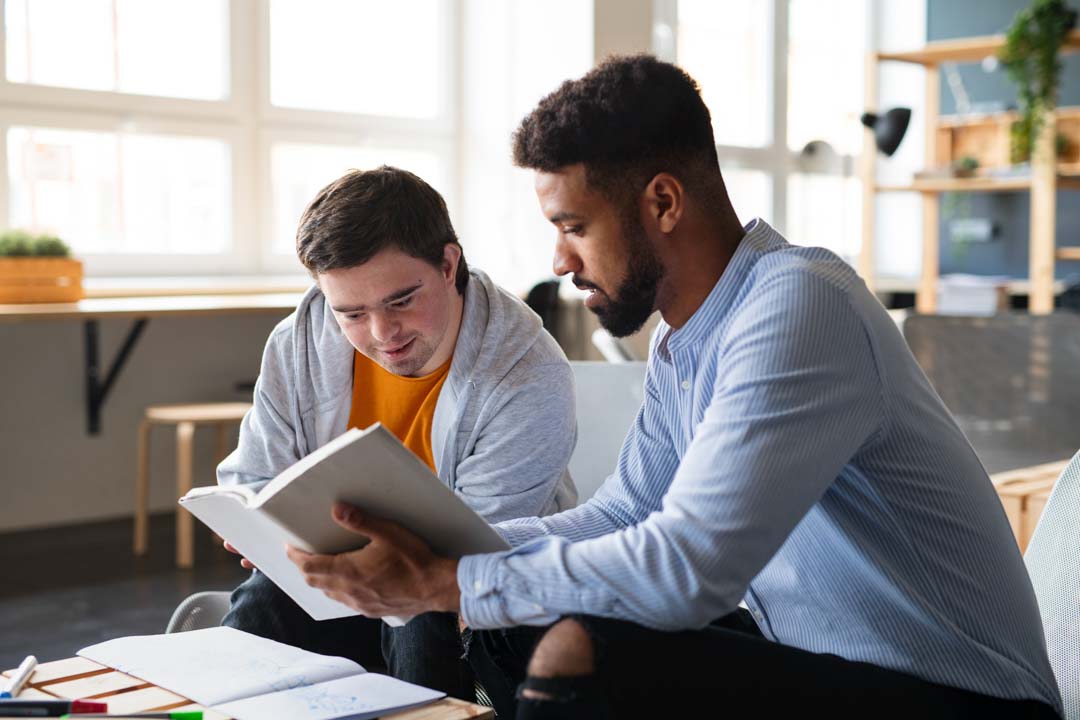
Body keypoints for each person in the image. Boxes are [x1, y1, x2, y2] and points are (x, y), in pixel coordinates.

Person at [286, 57, 1063, 719]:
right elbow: (629, 510)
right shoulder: (682, 340)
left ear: (662, 201)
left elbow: (690, 564)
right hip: (819, 660)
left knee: (580, 648)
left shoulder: (798, 303)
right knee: (508, 622)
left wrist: (452, 578)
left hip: (961, 697)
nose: (559, 259)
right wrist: (442, 549)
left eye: (574, 226)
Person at [217, 165, 578, 701]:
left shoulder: (527, 369)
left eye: (401, 301)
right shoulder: (297, 341)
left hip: (467, 605)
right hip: (338, 582)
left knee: (420, 613)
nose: (383, 336)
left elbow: (476, 551)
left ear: (448, 264)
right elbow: (252, 473)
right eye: (352, 313)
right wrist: (255, 523)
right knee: (265, 599)